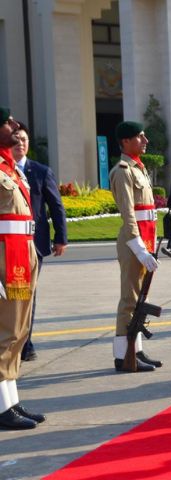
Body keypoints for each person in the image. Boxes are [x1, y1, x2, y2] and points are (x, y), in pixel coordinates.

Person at [0, 107, 45, 429]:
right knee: (6, 332)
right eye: (7, 122)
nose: (15, 127)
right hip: (6, 260)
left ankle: (11, 399)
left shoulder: (10, 168)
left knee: (19, 332)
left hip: (22, 255)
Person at [108, 120, 162, 373]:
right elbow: (129, 214)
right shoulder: (123, 170)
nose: (146, 141)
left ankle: (136, 350)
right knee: (129, 299)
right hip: (133, 243)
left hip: (145, 240)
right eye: (140, 137)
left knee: (141, 300)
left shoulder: (138, 168)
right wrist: (139, 248)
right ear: (126, 141)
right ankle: (122, 357)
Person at [13, 122, 67, 362]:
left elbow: (56, 206)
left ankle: (25, 342)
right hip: (7, 243)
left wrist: (60, 238)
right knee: (10, 295)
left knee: (27, 293)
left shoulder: (41, 171)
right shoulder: (4, 171)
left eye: (24, 139)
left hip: (34, 243)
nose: (20, 144)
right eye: (15, 141)